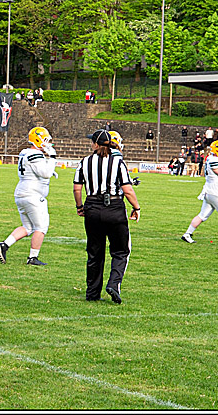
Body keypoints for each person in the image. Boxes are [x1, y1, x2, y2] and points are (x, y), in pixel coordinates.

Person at [73, 129, 141, 304]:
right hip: (114, 207)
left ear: (96, 144)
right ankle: (114, 284)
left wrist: (80, 206)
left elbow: (77, 188)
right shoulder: (118, 162)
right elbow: (127, 189)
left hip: (92, 207)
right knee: (120, 250)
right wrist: (136, 207)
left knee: (95, 252)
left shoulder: (85, 161)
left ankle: (92, 293)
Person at [0, 126, 58, 266]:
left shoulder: (25, 152)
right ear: (38, 139)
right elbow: (45, 173)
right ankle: (32, 257)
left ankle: (5, 245)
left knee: (28, 227)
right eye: (45, 140)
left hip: (22, 192)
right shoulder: (35, 154)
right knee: (41, 227)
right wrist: (52, 158)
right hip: (33, 195)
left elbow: (35, 170)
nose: (47, 143)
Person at [181, 141, 218, 246]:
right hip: (217, 193)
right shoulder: (215, 160)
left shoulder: (212, 158)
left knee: (202, 215)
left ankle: (187, 234)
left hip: (210, 191)